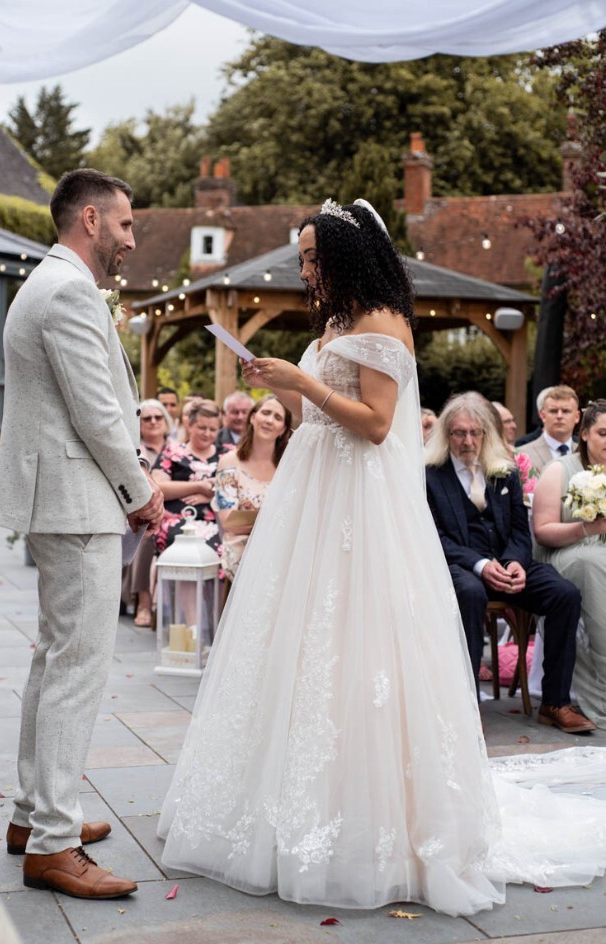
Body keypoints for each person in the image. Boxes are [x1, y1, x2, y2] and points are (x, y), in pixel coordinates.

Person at [157, 199, 606, 916]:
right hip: (314, 495)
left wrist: (301, 385)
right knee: (300, 641)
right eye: (302, 259)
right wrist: (290, 389)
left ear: (346, 257)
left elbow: (375, 426)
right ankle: (277, 801)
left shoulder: (381, 323)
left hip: (358, 506)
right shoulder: (336, 321)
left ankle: (378, 819)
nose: (305, 270)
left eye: (312, 258)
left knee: (360, 641)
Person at [0, 168, 164, 899]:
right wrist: (142, 494)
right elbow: (98, 413)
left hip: (62, 496)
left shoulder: (54, 284)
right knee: (75, 669)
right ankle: (54, 843)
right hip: (75, 499)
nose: (130, 238)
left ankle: (35, 816)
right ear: (90, 220)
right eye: (124, 224)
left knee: (54, 660)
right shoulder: (64, 292)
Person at [425, 392, 591, 731]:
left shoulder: (506, 471)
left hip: (508, 563)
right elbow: (434, 537)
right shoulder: (429, 475)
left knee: (565, 595)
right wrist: (481, 565)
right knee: (469, 594)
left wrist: (516, 562)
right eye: (459, 433)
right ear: (447, 434)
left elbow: (520, 528)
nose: (468, 441)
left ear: (486, 434)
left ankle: (556, 702)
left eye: (475, 432)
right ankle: (466, 708)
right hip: (460, 566)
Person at [533, 398, 606, 726]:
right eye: (603, 433)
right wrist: (587, 527)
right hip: (566, 554)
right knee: (594, 562)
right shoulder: (560, 470)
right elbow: (543, 532)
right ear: (585, 434)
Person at [214, 394, 292, 580]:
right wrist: (276, 518)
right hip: (242, 546)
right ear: (253, 417)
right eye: (265, 413)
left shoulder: (288, 467)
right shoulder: (229, 461)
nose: (269, 420)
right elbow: (230, 522)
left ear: (283, 429)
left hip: (282, 544)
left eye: (277, 417)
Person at [152, 399, 223, 564]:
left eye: (213, 429)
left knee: (220, 548)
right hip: (177, 521)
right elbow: (158, 487)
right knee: (183, 547)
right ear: (189, 426)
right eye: (202, 427)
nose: (207, 433)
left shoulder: (226, 454)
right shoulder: (173, 451)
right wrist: (198, 486)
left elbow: (237, 488)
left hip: (216, 522)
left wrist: (211, 497)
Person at [122, 399, 172, 627]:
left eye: (158, 417)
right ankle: (143, 601)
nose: (153, 422)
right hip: (143, 509)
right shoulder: (135, 449)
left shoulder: (177, 445)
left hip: (176, 507)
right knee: (148, 530)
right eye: (147, 418)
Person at [518, 385, 580, 471]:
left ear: (577, 417)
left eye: (566, 411)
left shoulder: (587, 453)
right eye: (553, 411)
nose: (559, 416)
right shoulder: (523, 454)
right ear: (542, 415)